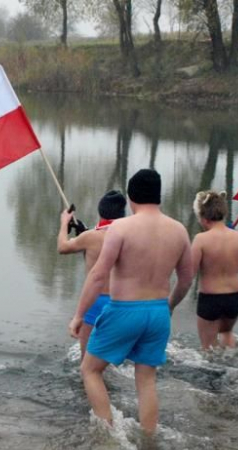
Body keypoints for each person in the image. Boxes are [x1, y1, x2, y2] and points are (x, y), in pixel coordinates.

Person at [69, 169, 194, 435]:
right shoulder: (179, 230)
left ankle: (109, 435)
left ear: (131, 196)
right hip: (158, 312)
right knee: (146, 380)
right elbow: (186, 280)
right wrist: (170, 305)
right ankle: (149, 439)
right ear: (159, 196)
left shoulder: (121, 227)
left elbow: (98, 274)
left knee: (90, 370)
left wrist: (79, 315)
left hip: (125, 309)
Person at [58, 190, 126, 359]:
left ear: (100, 211)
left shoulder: (90, 237)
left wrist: (64, 223)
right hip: (122, 301)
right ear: (123, 213)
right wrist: (85, 231)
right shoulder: (131, 237)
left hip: (94, 300)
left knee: (87, 360)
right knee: (116, 357)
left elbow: (62, 247)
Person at [191, 190, 238, 349]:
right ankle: (233, 361)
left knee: (207, 348)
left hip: (210, 298)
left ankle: (212, 364)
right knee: (227, 333)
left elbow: (190, 272)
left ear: (203, 217)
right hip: (234, 298)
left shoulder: (200, 240)